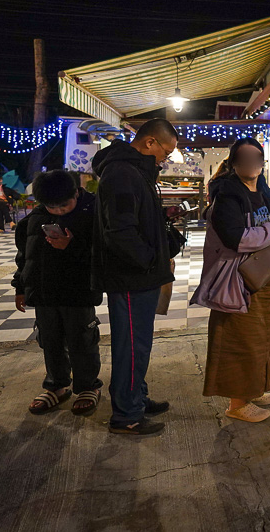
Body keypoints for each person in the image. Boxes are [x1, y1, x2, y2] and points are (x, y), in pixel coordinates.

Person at [191, 138, 270, 422]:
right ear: (235, 163)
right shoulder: (226, 195)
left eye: (256, 158)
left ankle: (255, 388)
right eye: (245, 158)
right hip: (236, 281)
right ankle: (237, 403)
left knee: (266, 337)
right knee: (240, 341)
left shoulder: (266, 193)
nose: (252, 164)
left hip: (266, 275)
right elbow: (235, 239)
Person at [92, 118, 182, 436]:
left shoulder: (134, 171)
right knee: (131, 345)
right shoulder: (122, 173)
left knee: (138, 344)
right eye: (165, 152)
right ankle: (127, 415)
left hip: (139, 274)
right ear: (149, 142)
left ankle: (137, 399)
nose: (164, 159)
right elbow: (120, 230)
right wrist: (148, 261)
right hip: (131, 276)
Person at [13, 170, 103, 416]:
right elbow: (25, 257)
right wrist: (20, 287)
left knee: (82, 341)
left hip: (79, 291)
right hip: (44, 292)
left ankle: (88, 386)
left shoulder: (93, 212)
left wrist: (71, 246)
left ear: (76, 193)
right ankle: (57, 385)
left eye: (64, 205)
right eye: (52, 207)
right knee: (50, 340)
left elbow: (104, 254)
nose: (59, 211)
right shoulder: (36, 217)